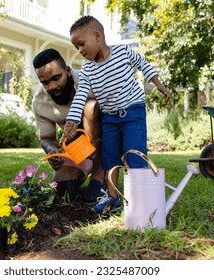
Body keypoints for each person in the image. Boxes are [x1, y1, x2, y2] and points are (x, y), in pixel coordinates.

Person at [62, 16, 170, 214]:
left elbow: (143, 64)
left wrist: (159, 85)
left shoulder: (122, 52)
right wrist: (71, 120)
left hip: (133, 112)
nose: (80, 50)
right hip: (110, 118)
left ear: (97, 36)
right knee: (110, 158)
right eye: (76, 47)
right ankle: (112, 199)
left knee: (133, 156)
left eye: (81, 44)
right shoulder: (87, 70)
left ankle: (139, 200)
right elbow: (80, 97)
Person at [32, 48, 105, 202]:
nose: (51, 87)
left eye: (56, 78)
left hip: (107, 144)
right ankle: (83, 168)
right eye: (45, 82)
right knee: (63, 189)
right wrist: (52, 151)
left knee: (90, 107)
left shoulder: (91, 81)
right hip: (77, 146)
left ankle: (100, 173)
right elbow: (46, 137)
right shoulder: (40, 101)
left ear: (67, 71)